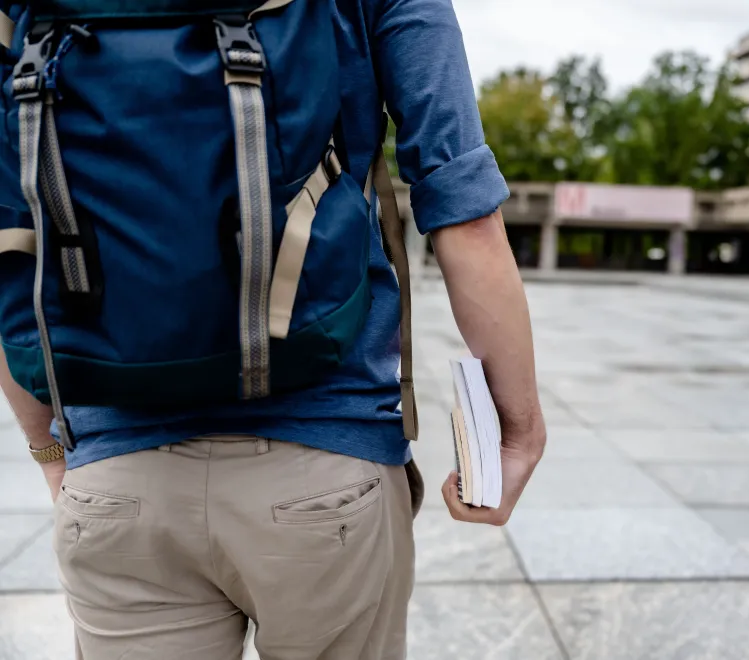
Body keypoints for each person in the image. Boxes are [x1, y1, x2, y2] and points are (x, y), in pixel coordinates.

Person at [0, 1, 546, 658]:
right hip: (327, 462)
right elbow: (461, 208)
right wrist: (516, 433)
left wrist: (53, 449)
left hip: (116, 476)